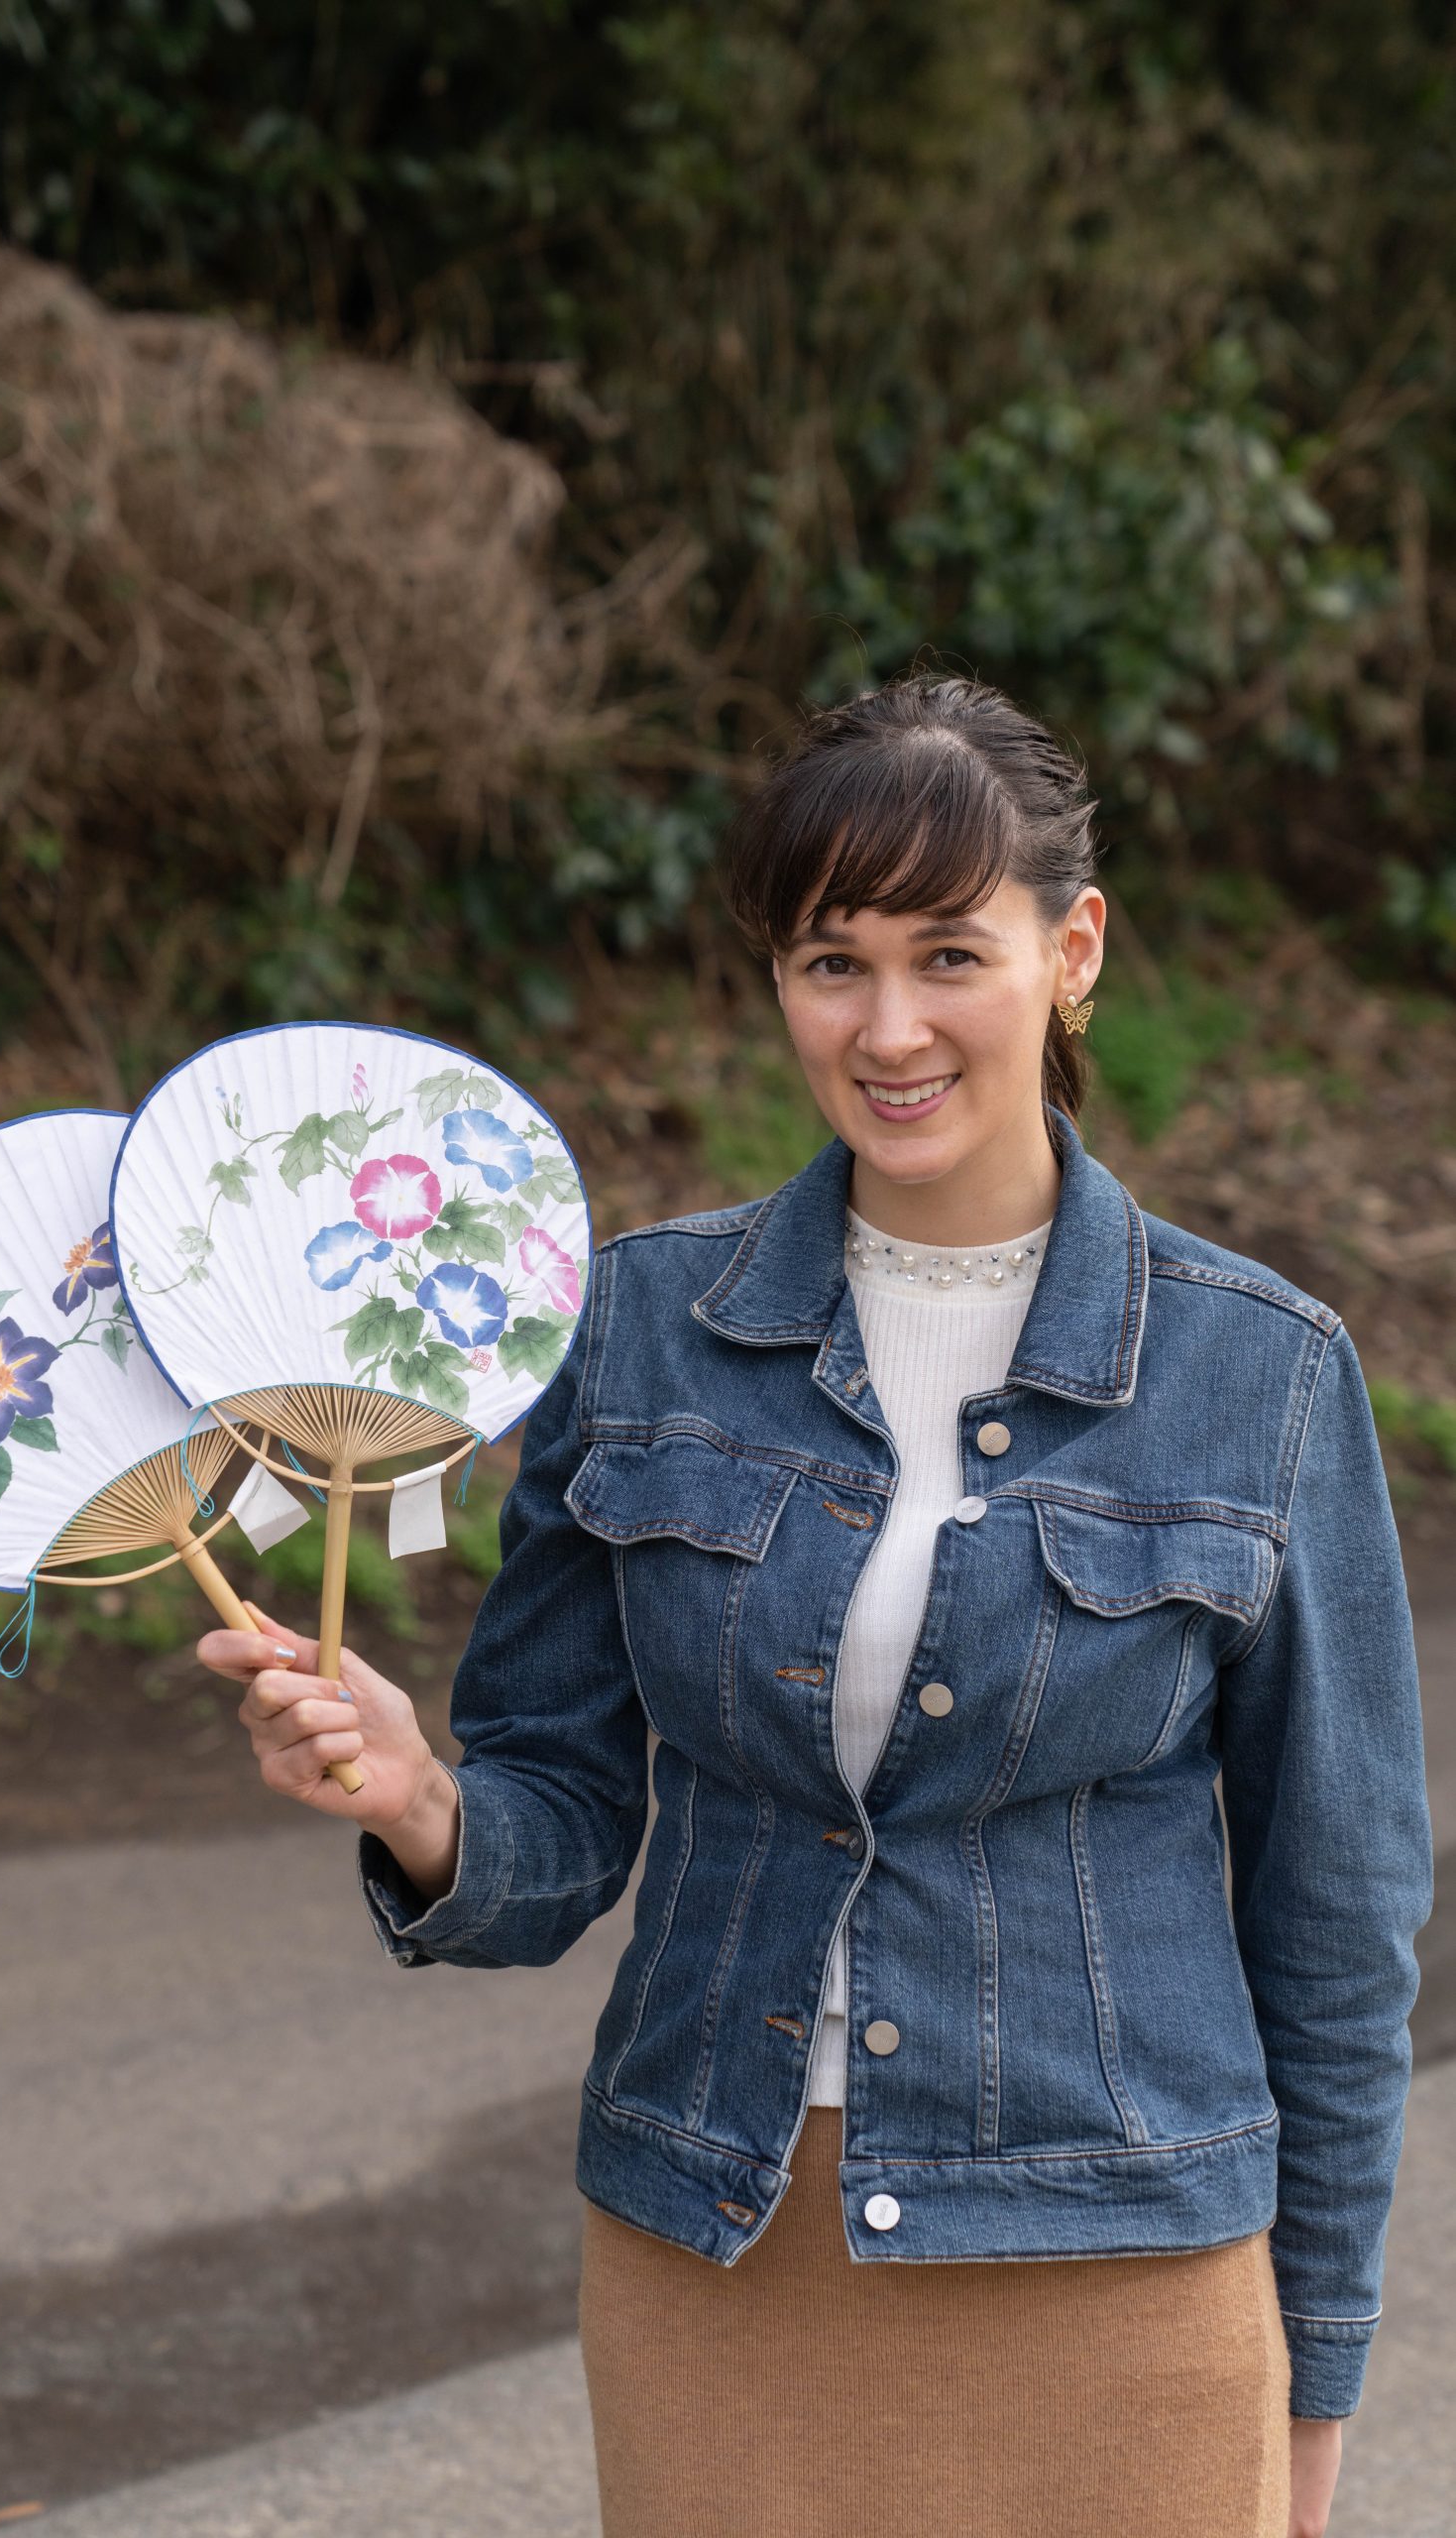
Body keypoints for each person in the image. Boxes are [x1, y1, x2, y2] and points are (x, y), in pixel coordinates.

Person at [196, 672, 1432, 2538]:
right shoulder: (640, 1329)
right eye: (829, 961)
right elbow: (560, 1820)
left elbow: (1339, 1922)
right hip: (723, 2246)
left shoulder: (1259, 1372)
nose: (890, 1026)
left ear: (1071, 948)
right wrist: (422, 1802)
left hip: (1127, 2277)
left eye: (950, 952)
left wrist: (1314, 2376)